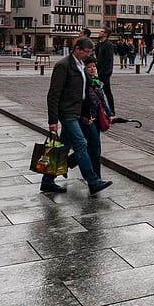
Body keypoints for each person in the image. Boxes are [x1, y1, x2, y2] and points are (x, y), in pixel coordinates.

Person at [45, 37, 112, 194]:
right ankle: (93, 181)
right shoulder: (63, 66)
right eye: (86, 52)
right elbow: (53, 94)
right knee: (81, 144)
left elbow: (86, 93)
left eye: (90, 52)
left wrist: (86, 114)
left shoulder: (81, 66)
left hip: (77, 112)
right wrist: (52, 121)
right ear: (77, 49)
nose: (88, 55)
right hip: (67, 112)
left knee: (62, 147)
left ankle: (47, 181)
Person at [79, 56, 112, 179]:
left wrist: (109, 114)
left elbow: (102, 100)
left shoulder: (96, 81)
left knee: (91, 147)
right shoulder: (83, 83)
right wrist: (83, 116)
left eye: (94, 66)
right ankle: (96, 177)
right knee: (95, 147)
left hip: (97, 118)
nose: (92, 69)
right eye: (89, 67)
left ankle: (70, 162)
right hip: (88, 119)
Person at [95, 28, 116, 114]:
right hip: (100, 71)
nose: (99, 32)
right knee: (101, 92)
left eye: (102, 31)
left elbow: (109, 59)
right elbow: (98, 57)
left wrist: (106, 72)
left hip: (104, 73)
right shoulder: (100, 44)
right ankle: (106, 110)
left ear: (106, 34)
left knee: (106, 92)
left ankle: (111, 110)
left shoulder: (108, 44)